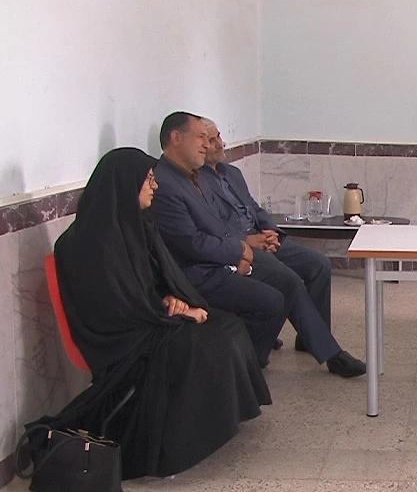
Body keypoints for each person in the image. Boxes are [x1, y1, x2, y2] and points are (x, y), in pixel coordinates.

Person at [30, 147, 272, 479]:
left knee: (227, 325)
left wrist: (173, 299)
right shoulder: (88, 242)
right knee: (196, 344)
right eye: (148, 180)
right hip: (118, 335)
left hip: (145, 315)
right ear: (125, 185)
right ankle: (174, 447)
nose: (155, 186)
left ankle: (220, 421)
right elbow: (111, 306)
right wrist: (171, 315)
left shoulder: (139, 223)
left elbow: (157, 278)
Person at [151, 112, 365, 377]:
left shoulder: (221, 174)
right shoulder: (176, 181)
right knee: (285, 285)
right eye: (203, 138)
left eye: (213, 137)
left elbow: (252, 208)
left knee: (315, 265)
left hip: (247, 243)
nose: (211, 144)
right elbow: (195, 240)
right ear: (176, 138)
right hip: (214, 262)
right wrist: (242, 248)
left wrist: (270, 232)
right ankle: (276, 359)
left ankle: (306, 343)